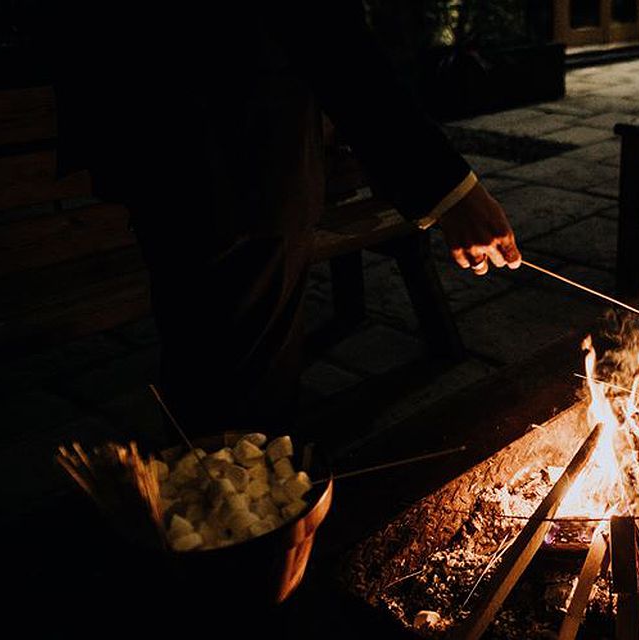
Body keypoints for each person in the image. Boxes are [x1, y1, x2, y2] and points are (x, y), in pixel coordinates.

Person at [55, 0, 521, 436]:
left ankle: (225, 500)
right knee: (238, 405)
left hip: (186, 153)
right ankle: (239, 511)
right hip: (231, 160)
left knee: (211, 376)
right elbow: (327, 33)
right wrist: (449, 190)